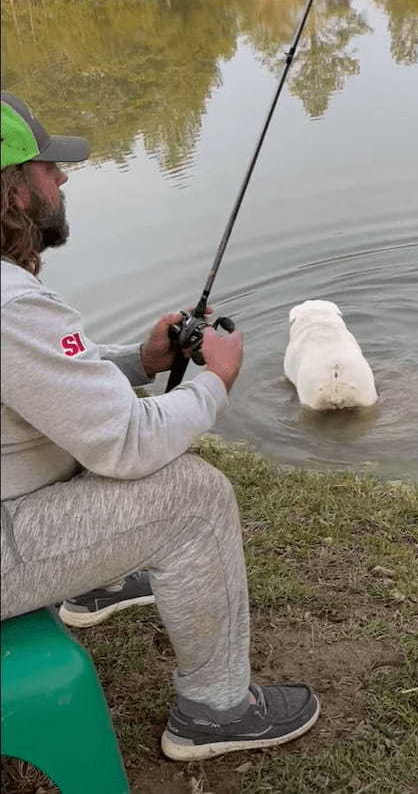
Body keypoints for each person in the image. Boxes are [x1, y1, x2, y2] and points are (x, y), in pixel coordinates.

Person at [0, 91, 319, 762]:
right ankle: (215, 711)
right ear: (14, 190)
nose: (62, 178)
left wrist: (143, 362)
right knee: (194, 498)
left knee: (77, 428)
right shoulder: (11, 305)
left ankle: (99, 580)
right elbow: (125, 442)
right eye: (47, 168)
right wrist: (216, 379)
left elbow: (53, 390)